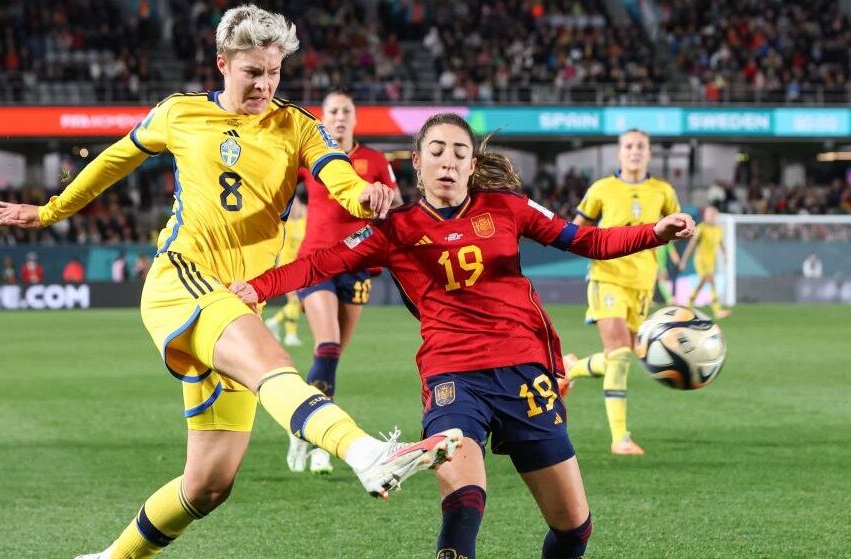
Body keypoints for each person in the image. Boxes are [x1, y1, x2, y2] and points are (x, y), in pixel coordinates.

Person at [0, 6, 461, 559]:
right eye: (251, 71)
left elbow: (337, 176)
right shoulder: (180, 113)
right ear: (222, 63)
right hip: (182, 278)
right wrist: (50, 211)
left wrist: (364, 197)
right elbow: (114, 159)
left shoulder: (298, 125)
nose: (263, 84)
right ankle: (364, 452)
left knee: (208, 484)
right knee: (271, 366)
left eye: (273, 72)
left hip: (237, 298)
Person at [230, 113, 695, 559]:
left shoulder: (507, 207)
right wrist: (257, 287)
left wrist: (654, 232)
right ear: (417, 161)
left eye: (458, 152)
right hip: (453, 378)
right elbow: (318, 263)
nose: (447, 161)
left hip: (524, 375)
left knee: (574, 531)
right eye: (436, 151)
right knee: (463, 507)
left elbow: (585, 240)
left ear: (473, 165)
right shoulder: (396, 230)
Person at [287, 88, 402, 476]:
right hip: (316, 262)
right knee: (329, 344)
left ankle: (305, 425)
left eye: (346, 111)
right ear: (323, 117)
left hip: (359, 266)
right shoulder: (311, 156)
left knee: (332, 357)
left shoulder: (373, 159)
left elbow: (396, 205)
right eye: (333, 111)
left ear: (355, 118)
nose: (339, 117)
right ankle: (321, 440)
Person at [562, 129, 681, 456]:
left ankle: (569, 368)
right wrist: (596, 249)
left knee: (621, 357)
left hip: (642, 284)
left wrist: (684, 229)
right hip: (608, 276)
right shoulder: (602, 189)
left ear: (649, 153)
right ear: (619, 153)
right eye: (628, 146)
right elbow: (576, 229)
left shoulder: (663, 191)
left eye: (640, 146)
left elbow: (675, 227)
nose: (634, 152)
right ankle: (620, 438)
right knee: (619, 354)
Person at [264, 191, 307, 348]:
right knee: (295, 300)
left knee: (297, 302)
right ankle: (289, 334)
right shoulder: (284, 224)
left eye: (297, 205)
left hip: (300, 268)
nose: (295, 208)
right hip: (286, 267)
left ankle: (275, 322)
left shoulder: (305, 223)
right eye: (293, 205)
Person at [679, 206, 731, 318]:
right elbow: (691, 245)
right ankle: (717, 310)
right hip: (701, 260)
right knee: (710, 281)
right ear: (705, 216)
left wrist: (725, 254)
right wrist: (684, 260)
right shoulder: (701, 228)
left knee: (703, 282)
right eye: (709, 215)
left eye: (713, 215)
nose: (712, 217)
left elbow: (720, 243)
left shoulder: (718, 229)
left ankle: (688, 304)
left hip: (711, 261)